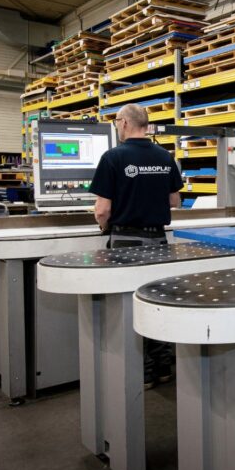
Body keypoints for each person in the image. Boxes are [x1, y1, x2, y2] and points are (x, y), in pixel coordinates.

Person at [89, 103, 183, 388]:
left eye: (117, 121)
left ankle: (143, 372)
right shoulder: (164, 156)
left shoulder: (113, 157)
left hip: (127, 242)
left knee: (130, 306)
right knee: (157, 302)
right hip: (159, 242)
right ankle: (164, 366)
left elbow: (102, 210)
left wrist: (104, 227)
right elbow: (175, 201)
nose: (117, 126)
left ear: (125, 123)